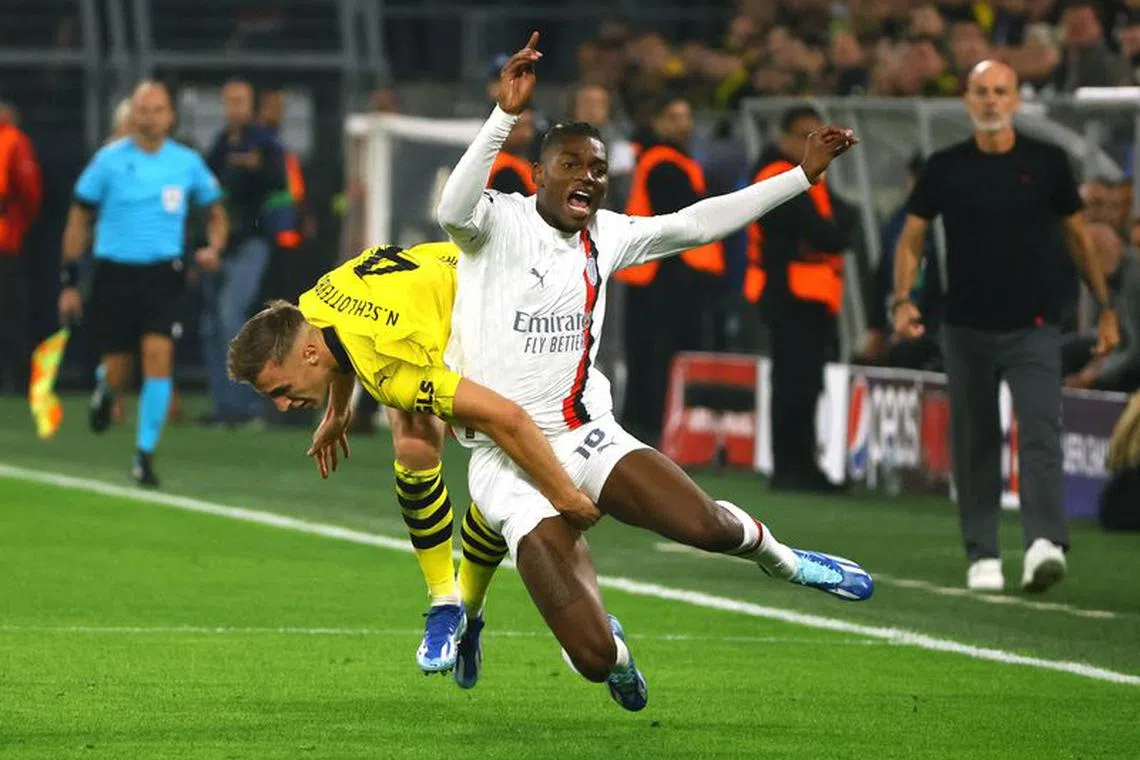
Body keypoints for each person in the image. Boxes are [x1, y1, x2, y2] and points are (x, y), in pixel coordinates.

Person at [436, 32, 871, 711]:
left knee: (709, 529)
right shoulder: (495, 221)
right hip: (505, 461)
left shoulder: (608, 233)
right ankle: (614, 651)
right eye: (572, 164)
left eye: (598, 168)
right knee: (589, 658)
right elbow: (449, 208)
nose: (587, 176)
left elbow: (697, 225)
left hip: (587, 436)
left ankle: (787, 561)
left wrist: (800, 176)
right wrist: (502, 118)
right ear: (538, 176)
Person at [225, 242, 598, 677]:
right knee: (416, 448)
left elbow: (509, 420)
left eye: (281, 391)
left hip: (499, 320)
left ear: (305, 355)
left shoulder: (388, 361)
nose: (284, 406)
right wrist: (339, 410)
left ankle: (471, 611)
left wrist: (566, 496)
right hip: (437, 301)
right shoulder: (313, 305)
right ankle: (446, 604)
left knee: (502, 464)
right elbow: (339, 349)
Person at [892, 60, 1120, 594]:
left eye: (1000, 91)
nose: (991, 101)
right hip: (965, 324)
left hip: (1034, 324)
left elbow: (1078, 237)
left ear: (1016, 100)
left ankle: (1044, 543)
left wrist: (1104, 306)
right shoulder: (945, 166)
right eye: (981, 92)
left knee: (1040, 430)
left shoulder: (1047, 162)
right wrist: (904, 299)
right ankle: (983, 552)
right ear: (967, 100)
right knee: (974, 442)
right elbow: (911, 238)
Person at [58, 81, 227, 486]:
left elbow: (217, 212)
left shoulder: (185, 163)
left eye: (156, 109)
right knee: (118, 366)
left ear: (170, 116)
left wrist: (213, 247)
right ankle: (105, 388)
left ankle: (144, 454)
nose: (148, 116)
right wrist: (69, 279)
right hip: (114, 272)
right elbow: (79, 217)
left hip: (161, 275)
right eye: (142, 109)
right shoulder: (109, 161)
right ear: (132, 114)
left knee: (158, 356)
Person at [744, 105, 854, 492]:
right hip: (789, 294)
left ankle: (800, 466)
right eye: (806, 135)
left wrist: (827, 234)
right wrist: (827, 235)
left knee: (803, 383)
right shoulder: (778, 176)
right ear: (785, 138)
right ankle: (793, 469)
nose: (814, 143)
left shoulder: (808, 179)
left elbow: (844, 224)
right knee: (794, 384)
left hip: (810, 296)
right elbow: (828, 233)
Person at [614, 91, 726, 442]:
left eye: (687, 116)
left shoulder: (670, 159)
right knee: (654, 359)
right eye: (675, 117)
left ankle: (644, 429)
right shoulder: (664, 161)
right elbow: (680, 219)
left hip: (654, 274)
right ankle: (646, 432)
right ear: (658, 123)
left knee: (650, 358)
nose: (684, 125)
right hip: (661, 277)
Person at [201, 79, 288, 427]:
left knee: (230, 314)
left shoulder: (265, 142)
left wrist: (258, 168)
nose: (234, 108)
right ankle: (223, 405)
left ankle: (246, 406)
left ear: (251, 105)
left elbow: (280, 181)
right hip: (221, 244)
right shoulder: (222, 143)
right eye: (229, 101)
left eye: (240, 101)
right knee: (210, 325)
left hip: (252, 242)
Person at [1064, 223, 1140, 392]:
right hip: (1114, 351)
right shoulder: (1097, 278)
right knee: (1063, 351)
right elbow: (1090, 332)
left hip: (1131, 364)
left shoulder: (1134, 279)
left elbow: (1134, 349)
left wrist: (1096, 374)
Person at [0, 100, 43, 395]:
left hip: (5, 241)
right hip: (6, 240)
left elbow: (29, 194)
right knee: (10, 314)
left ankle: (14, 381)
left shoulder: (13, 141)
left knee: (10, 314)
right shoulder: (14, 140)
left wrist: (16, 228)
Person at [487, 108, 537, 195]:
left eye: (529, 126)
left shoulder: (523, 163)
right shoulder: (504, 171)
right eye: (516, 128)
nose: (526, 134)